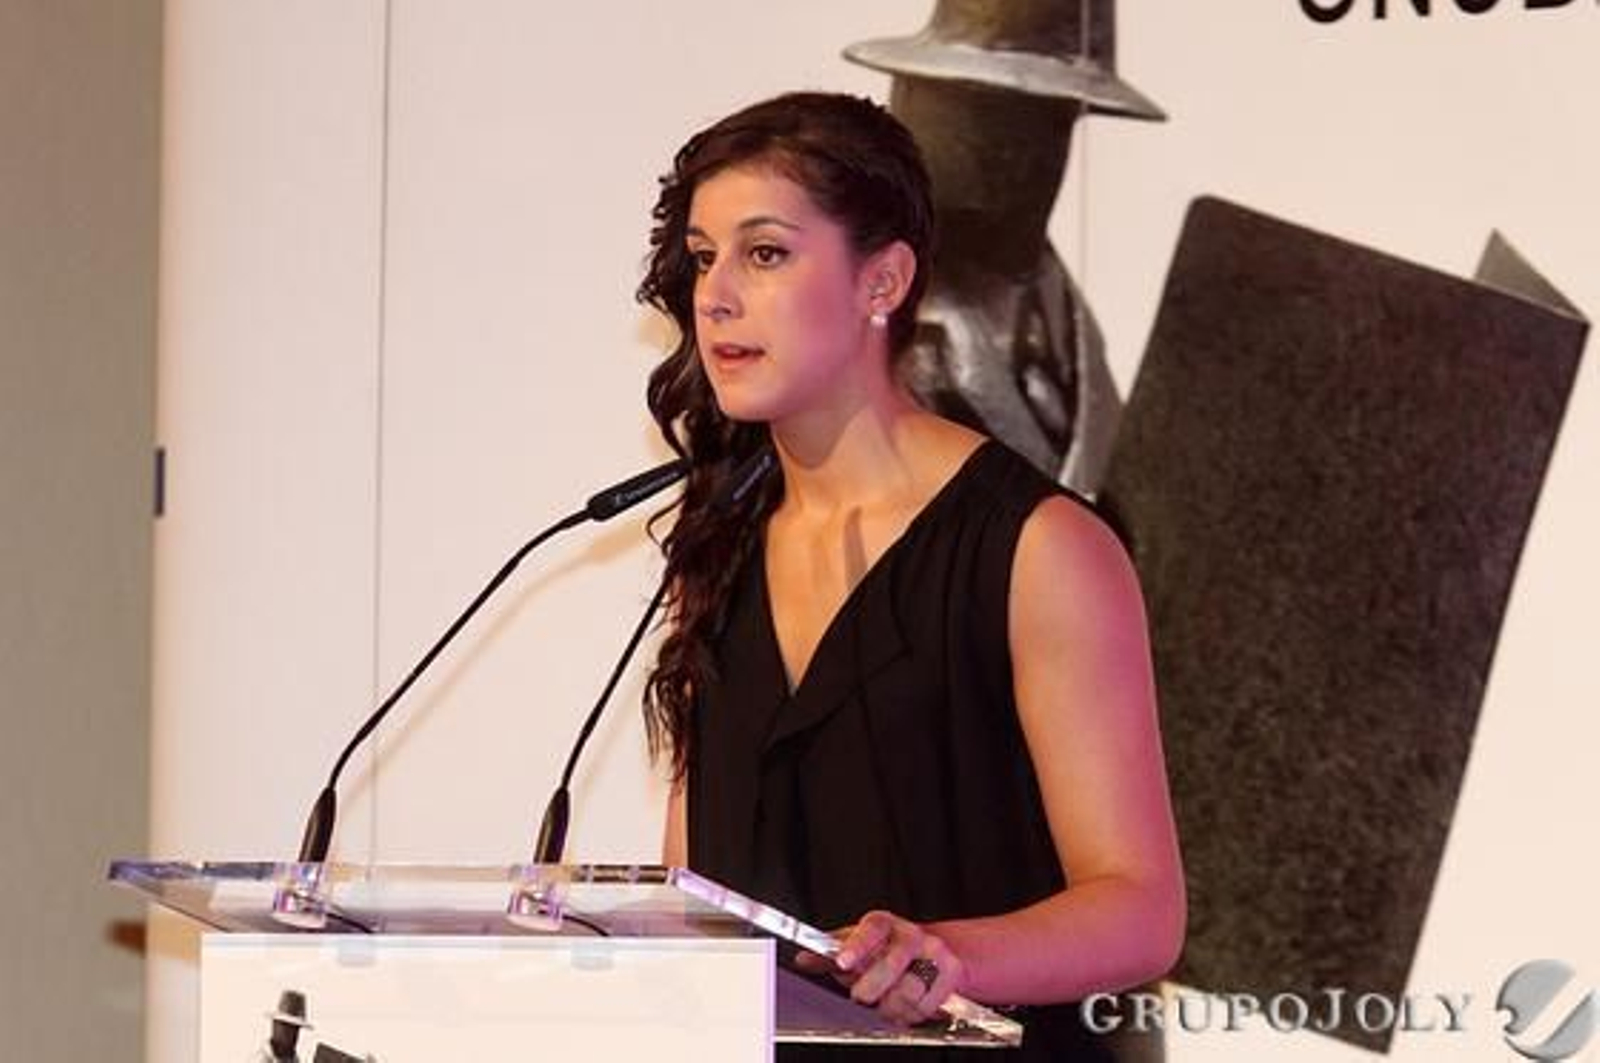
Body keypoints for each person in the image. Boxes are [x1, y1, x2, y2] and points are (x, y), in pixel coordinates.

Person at [638, 91, 1183, 1060]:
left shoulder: (1041, 546)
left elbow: (1141, 913)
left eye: (765, 253)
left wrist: (946, 957)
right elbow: (700, 893)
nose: (713, 294)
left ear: (881, 279)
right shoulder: (718, 547)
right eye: (702, 255)